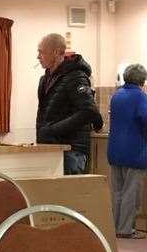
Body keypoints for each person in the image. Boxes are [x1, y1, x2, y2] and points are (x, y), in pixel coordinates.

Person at [107, 64, 147, 239]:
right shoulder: (139, 96)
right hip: (134, 151)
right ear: (142, 80)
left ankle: (116, 227)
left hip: (115, 150)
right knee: (131, 191)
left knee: (117, 191)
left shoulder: (117, 95)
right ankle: (126, 229)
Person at [35, 33, 103, 174]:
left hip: (72, 150)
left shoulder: (76, 76)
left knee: (70, 195)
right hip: (51, 148)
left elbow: (88, 111)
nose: (38, 56)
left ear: (55, 52)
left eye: (41, 52)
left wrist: (52, 130)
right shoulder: (45, 79)